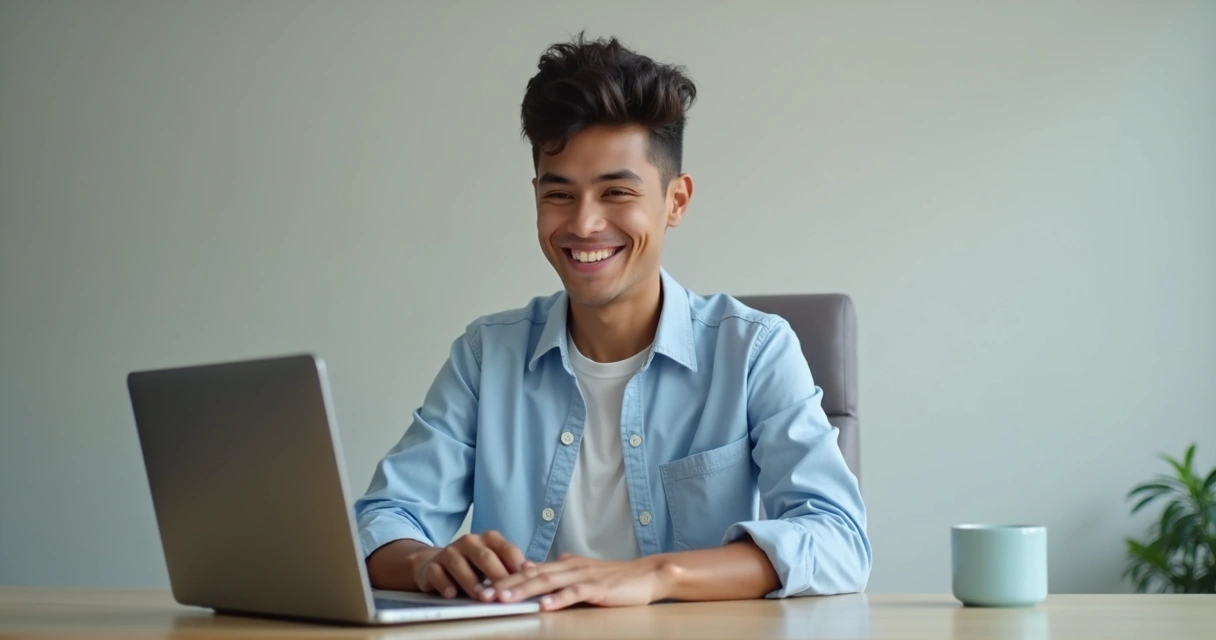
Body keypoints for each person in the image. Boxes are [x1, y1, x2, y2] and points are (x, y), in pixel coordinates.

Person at [353, 33, 870, 612]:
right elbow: (381, 521)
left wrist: (655, 575)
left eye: (617, 192)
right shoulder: (485, 355)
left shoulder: (754, 350)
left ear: (676, 201)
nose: (584, 223)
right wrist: (426, 562)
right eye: (560, 194)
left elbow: (838, 540)